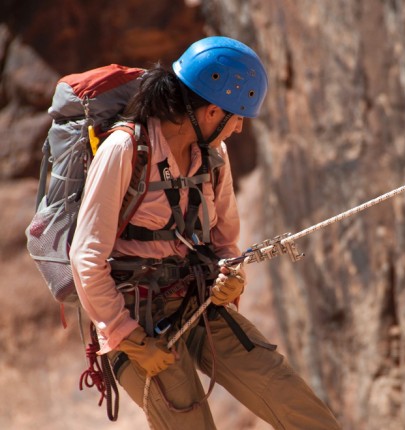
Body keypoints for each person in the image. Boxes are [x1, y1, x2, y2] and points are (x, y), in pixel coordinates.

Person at [69, 36, 341, 430]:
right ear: (212, 111)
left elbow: (224, 240)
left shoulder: (213, 155)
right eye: (237, 116)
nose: (240, 127)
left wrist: (232, 279)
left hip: (197, 297)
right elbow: (86, 256)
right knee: (189, 421)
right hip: (135, 316)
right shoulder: (125, 150)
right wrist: (129, 339)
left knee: (290, 398)